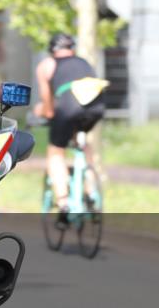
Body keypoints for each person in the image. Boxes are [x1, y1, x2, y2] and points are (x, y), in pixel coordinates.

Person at [33, 32, 106, 220]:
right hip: (96, 107)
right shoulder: (84, 62)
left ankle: (64, 202)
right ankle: (91, 191)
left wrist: (40, 111)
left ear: (51, 50)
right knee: (82, 142)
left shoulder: (46, 65)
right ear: (72, 49)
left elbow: (49, 109)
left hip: (68, 107)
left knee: (56, 152)